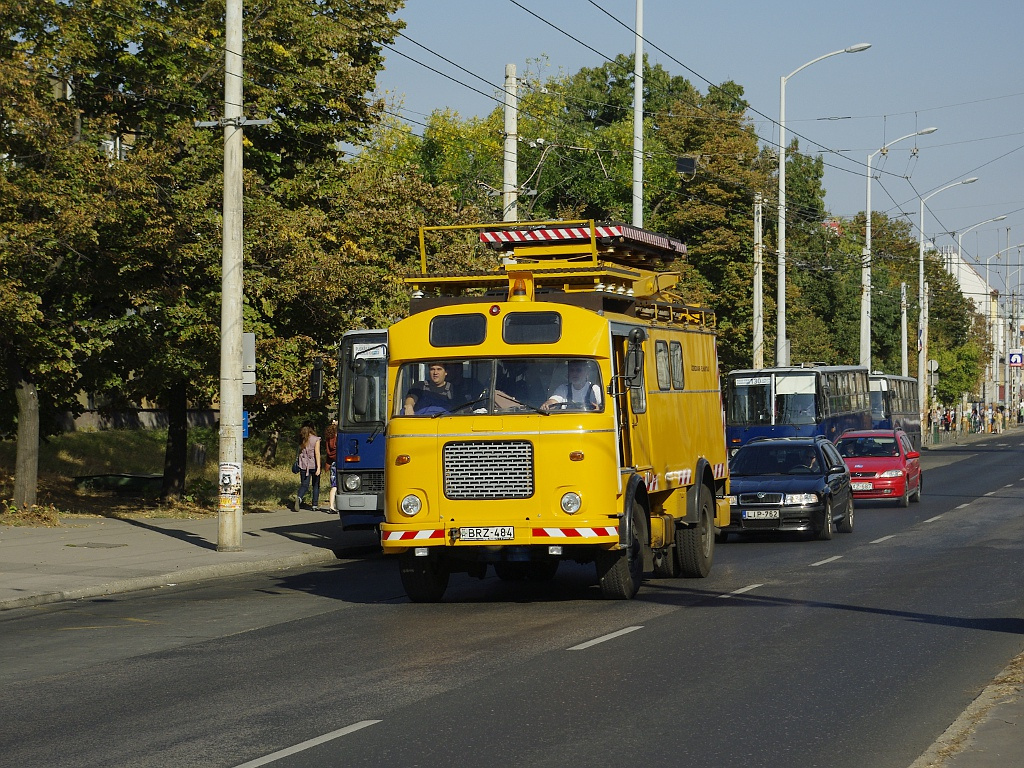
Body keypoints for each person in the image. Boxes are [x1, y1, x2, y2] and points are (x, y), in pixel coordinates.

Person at [294, 422, 321, 512]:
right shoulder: (316, 439)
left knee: (304, 485)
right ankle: (314, 505)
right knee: (316, 485)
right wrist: (319, 467)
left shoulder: (302, 439)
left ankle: (299, 497)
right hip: (313, 464)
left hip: (303, 465)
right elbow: (317, 453)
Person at [322, 418, 337, 511]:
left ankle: (331, 505)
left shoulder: (328, 438)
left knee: (333, 485)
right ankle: (335, 505)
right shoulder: (337, 437)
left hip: (332, 462)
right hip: (339, 462)